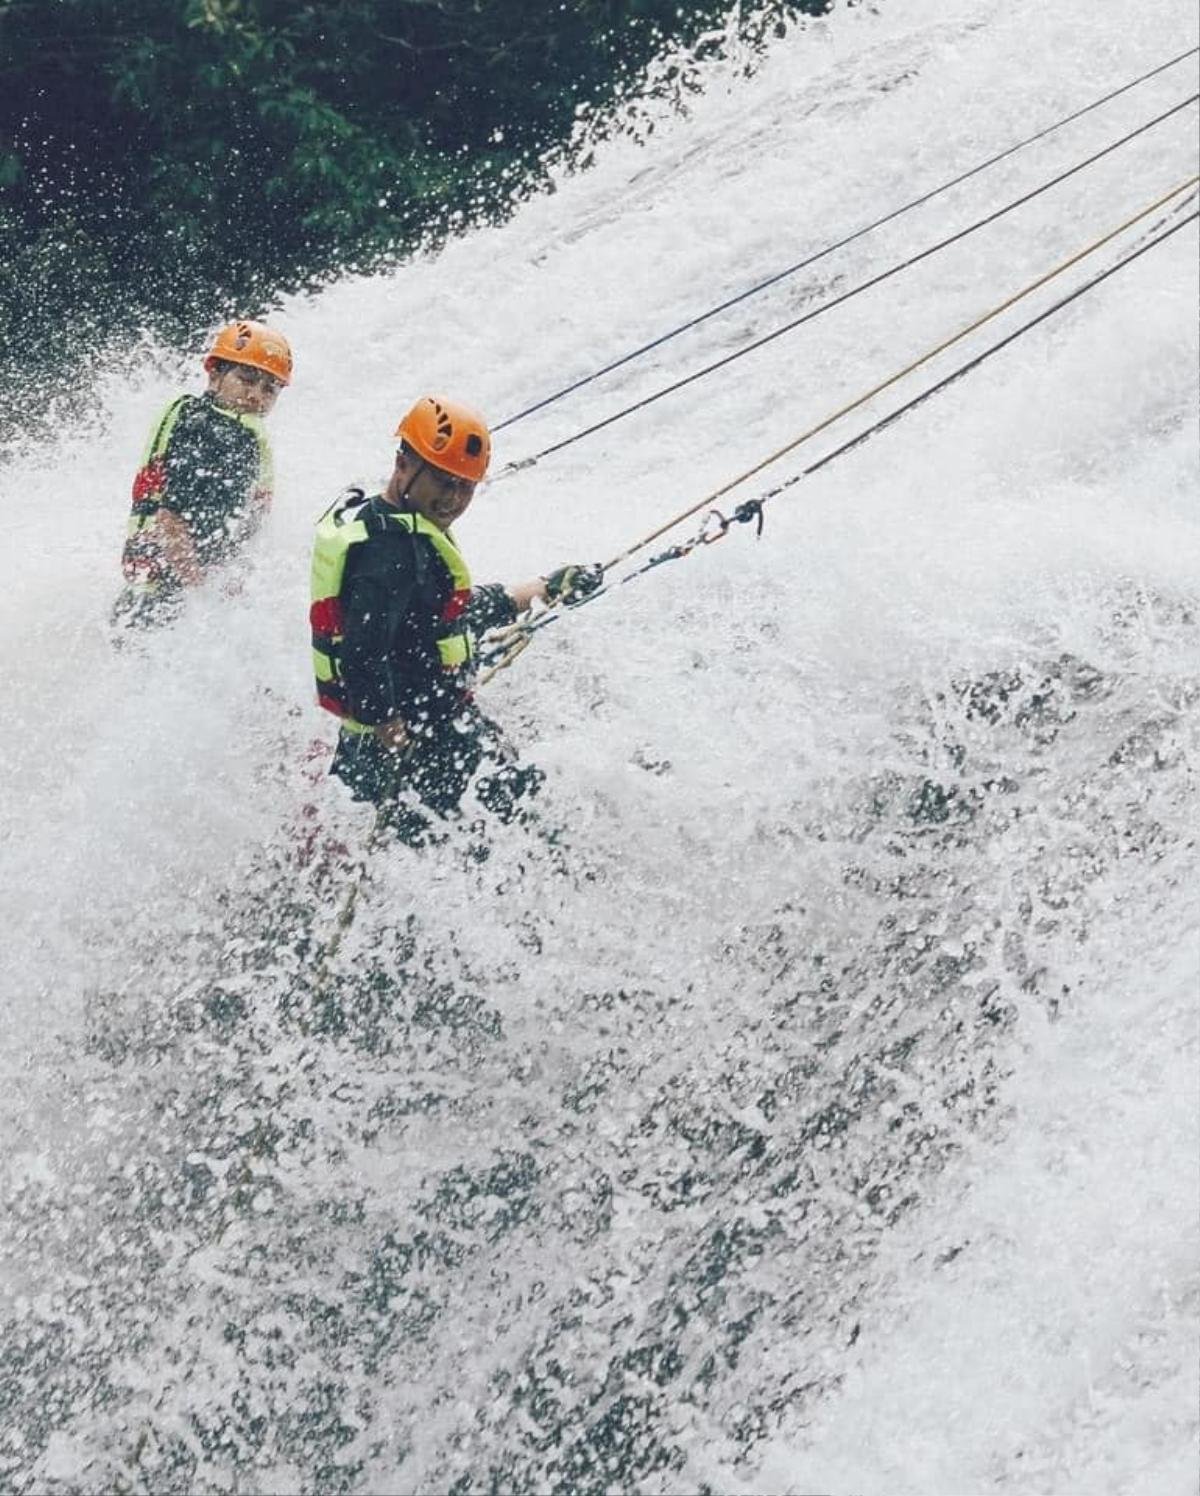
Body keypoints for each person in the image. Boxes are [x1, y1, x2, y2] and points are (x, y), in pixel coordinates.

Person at [310, 394, 603, 841]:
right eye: (444, 482)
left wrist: (541, 588)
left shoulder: (388, 522)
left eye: (465, 487)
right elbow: (361, 653)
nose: (453, 499)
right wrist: (389, 726)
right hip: (419, 739)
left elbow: (443, 614)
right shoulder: (389, 555)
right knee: (523, 832)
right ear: (404, 464)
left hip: (397, 736)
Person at [112, 318, 293, 629]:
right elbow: (171, 521)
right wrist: (202, 600)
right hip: (167, 602)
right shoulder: (210, 431)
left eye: (269, 389)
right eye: (247, 379)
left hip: (146, 596)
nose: (256, 396)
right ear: (214, 373)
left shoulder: (201, 417)